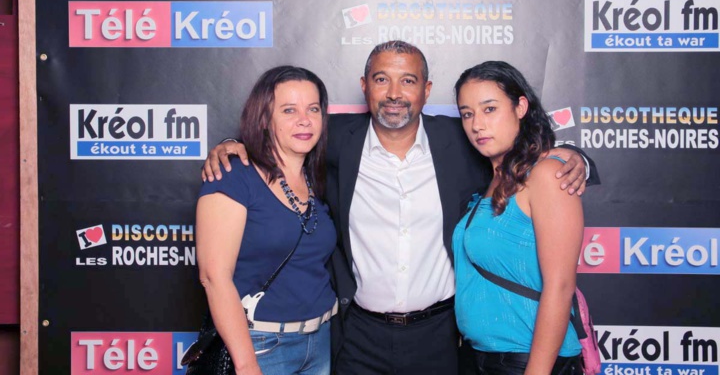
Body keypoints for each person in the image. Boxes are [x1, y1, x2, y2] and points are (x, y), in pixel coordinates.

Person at [202, 41, 599, 374]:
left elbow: (523, 151)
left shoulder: (462, 141)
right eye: (381, 79)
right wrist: (230, 146)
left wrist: (574, 155)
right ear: (364, 87)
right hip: (358, 335)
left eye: (407, 80)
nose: (394, 93)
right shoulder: (332, 139)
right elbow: (280, 135)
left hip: (440, 336)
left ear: (426, 90)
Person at [195, 66, 338, 375]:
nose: (304, 119)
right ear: (263, 119)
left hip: (321, 342)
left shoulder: (317, 178)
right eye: (289, 110)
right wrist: (247, 364)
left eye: (313, 109)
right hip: (261, 346)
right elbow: (214, 276)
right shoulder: (232, 175)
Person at [452, 61, 584, 374]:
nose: (477, 125)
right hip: (477, 358)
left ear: (520, 107)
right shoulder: (491, 180)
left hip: (526, 361)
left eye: (490, 109)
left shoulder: (547, 174)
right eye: (467, 114)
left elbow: (560, 285)